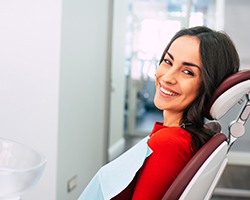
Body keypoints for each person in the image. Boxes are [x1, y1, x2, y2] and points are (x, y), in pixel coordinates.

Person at [78, 26, 240, 200]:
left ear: (209, 85)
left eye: (188, 72)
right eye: (168, 61)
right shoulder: (175, 136)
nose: (167, 77)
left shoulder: (169, 144)